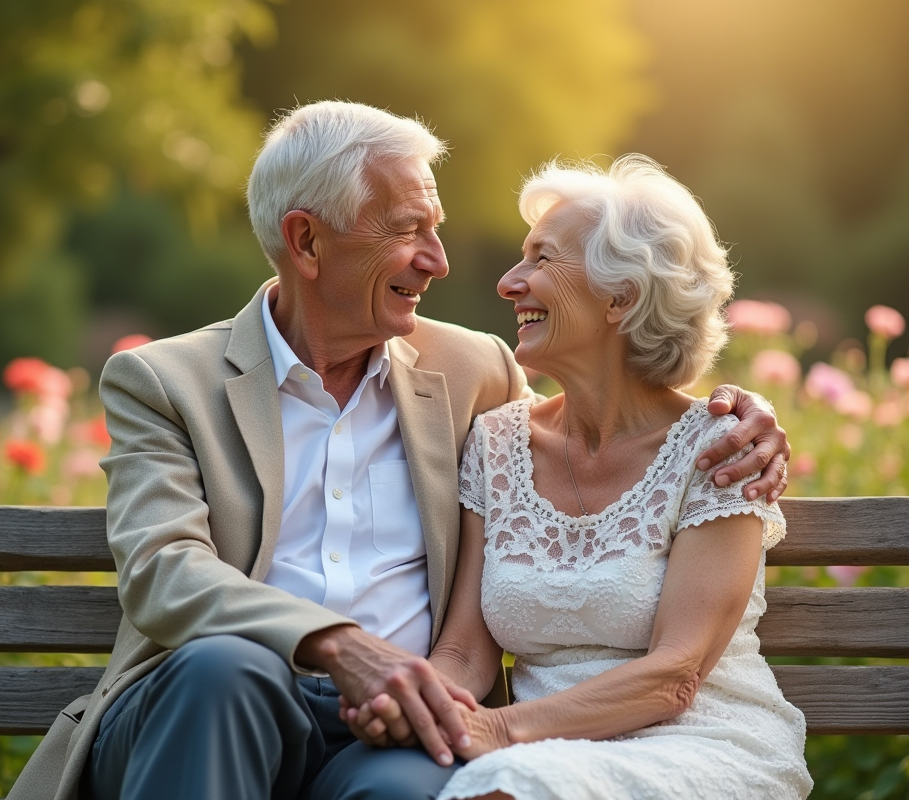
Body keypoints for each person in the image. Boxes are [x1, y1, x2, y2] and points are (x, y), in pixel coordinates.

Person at [5, 102, 791, 800]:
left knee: (425, 789)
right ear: (306, 241)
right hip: (212, 704)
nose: (441, 263)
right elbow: (165, 571)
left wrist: (738, 412)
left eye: (436, 230)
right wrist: (337, 646)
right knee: (225, 669)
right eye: (409, 230)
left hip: (400, 722)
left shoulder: (475, 372)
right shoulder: (165, 381)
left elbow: (619, 417)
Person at [347, 155, 813, 799]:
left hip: (701, 743)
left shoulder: (722, 447)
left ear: (621, 296)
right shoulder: (496, 441)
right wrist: (423, 702)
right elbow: (466, 651)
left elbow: (674, 676)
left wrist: (500, 731)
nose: (510, 282)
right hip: (542, 752)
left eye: (541, 259)